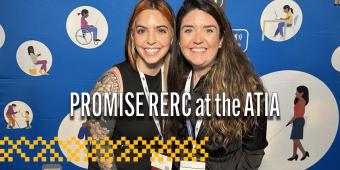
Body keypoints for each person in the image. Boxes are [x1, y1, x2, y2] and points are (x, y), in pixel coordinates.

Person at [165, 0, 268, 169]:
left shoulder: (248, 88)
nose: (198, 39)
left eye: (208, 30)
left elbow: (253, 154)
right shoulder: (177, 78)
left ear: (221, 40)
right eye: (189, 30)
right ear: (178, 40)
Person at [86, 0, 175, 169]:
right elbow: (100, 149)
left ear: (172, 37)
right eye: (142, 31)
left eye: (161, 30)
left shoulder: (177, 78)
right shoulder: (111, 84)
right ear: (132, 36)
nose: (151, 40)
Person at [286, 86, 310, 161]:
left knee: (295, 139)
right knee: (294, 139)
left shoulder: (302, 101)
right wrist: (292, 121)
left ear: (302, 93)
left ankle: (304, 153)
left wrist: (290, 121)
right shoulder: (299, 101)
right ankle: (294, 155)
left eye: (297, 92)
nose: (295, 93)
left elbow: (297, 114)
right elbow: (296, 114)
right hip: (297, 120)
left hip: (299, 120)